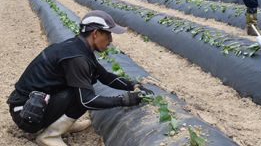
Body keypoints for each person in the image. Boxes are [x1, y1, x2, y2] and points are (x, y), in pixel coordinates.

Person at [7, 10, 154, 146]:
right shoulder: (76, 58)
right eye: (108, 34)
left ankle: (62, 125)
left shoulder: (80, 48)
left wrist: (132, 85)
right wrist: (123, 100)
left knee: (79, 88)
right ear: (95, 33)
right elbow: (87, 100)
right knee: (81, 95)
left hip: (35, 103)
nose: (110, 40)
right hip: (27, 112)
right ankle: (50, 136)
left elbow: (105, 77)